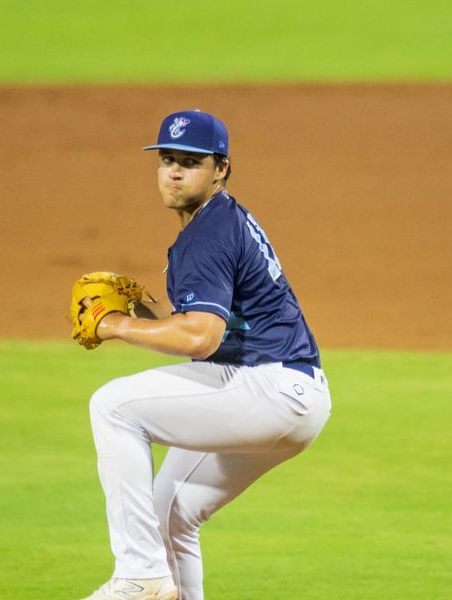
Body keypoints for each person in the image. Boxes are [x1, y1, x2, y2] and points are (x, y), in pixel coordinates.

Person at [78, 110, 331, 600]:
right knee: (170, 514)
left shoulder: (207, 236)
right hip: (298, 397)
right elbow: (209, 329)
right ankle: (154, 576)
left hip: (264, 388)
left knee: (112, 406)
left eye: (190, 162)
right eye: (166, 160)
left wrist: (117, 325)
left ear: (221, 169)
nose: (174, 171)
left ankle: (140, 574)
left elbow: (200, 339)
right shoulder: (224, 219)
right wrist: (146, 316)